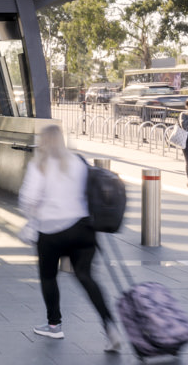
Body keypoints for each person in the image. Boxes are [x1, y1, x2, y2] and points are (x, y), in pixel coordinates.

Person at [19, 123, 120, 350]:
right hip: (82, 229)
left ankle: (54, 325)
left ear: (43, 141)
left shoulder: (39, 165)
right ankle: (110, 328)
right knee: (86, 277)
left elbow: (28, 200)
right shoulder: (78, 162)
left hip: (51, 232)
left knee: (48, 276)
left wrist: (32, 216)